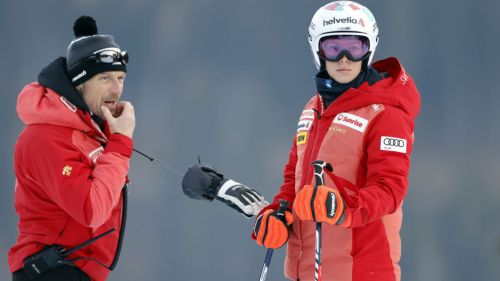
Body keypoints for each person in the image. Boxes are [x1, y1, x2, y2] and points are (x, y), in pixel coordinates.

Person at [251, 1, 421, 281]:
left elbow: (389, 190)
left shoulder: (385, 114)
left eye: (355, 48)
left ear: (369, 50)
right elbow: (293, 182)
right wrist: (279, 215)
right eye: (333, 47)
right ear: (318, 51)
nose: (344, 59)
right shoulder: (312, 108)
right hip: (306, 272)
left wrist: (341, 206)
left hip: (363, 272)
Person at [8, 16, 134, 281]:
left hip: (75, 269)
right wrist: (120, 143)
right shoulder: (45, 136)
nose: (117, 88)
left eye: (120, 77)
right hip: (52, 271)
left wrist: (113, 137)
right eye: (105, 78)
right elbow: (91, 209)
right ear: (80, 82)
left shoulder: (89, 131)